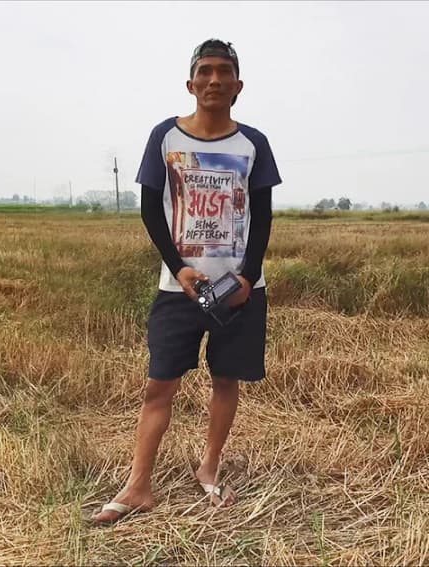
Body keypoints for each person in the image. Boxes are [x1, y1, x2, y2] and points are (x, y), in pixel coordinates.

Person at [90, 39, 281, 525]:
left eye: (224, 73)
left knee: (225, 379)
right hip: (180, 287)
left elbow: (262, 216)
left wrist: (247, 276)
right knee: (160, 385)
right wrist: (179, 268)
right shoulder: (166, 137)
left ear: (238, 86)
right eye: (205, 72)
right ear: (191, 84)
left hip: (240, 290)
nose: (214, 80)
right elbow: (150, 208)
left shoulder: (253, 143)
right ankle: (138, 486)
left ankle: (209, 467)